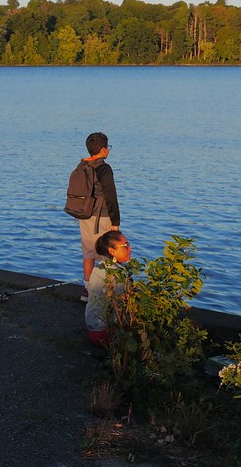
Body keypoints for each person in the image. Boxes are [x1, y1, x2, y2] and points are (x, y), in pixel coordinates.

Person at [77, 132, 121, 300]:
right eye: (107, 147)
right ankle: (106, 291)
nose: (108, 150)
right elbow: (111, 196)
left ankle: (87, 290)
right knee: (107, 254)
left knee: (88, 252)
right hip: (102, 216)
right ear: (103, 150)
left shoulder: (82, 165)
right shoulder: (104, 168)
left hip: (85, 215)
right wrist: (115, 221)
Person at [86, 230, 131, 346]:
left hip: (92, 328)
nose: (130, 249)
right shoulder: (117, 273)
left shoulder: (100, 266)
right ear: (112, 251)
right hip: (104, 333)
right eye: (126, 246)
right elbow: (121, 303)